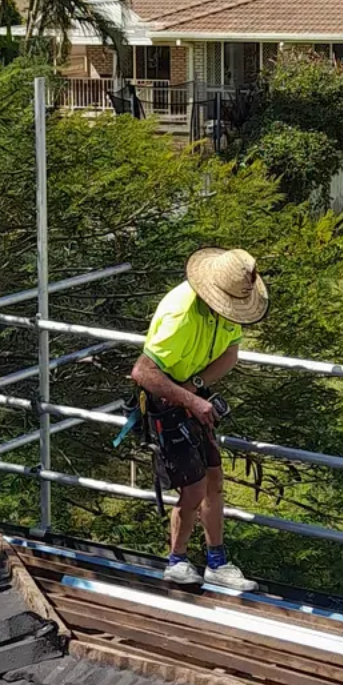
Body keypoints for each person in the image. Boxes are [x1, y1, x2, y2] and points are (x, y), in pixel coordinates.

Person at [130, 247, 268, 590]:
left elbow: (230, 353)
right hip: (164, 401)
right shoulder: (182, 314)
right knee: (192, 488)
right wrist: (189, 398)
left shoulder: (225, 312)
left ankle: (216, 561)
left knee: (213, 480)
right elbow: (143, 372)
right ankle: (176, 560)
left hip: (191, 395)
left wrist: (195, 389)